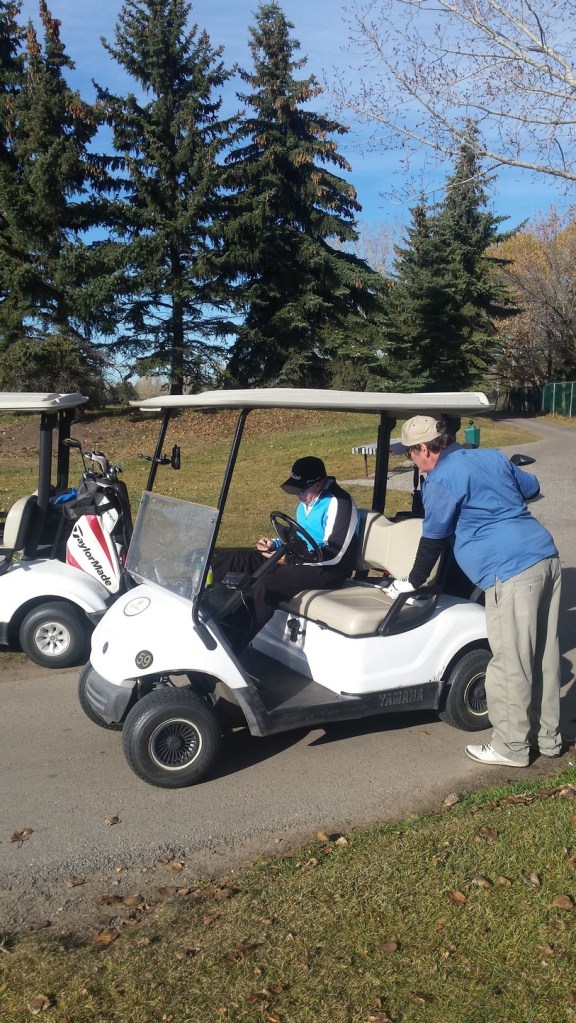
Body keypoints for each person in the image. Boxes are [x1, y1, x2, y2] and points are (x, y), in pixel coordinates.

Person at [385, 415, 561, 768]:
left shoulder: (440, 481)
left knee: (510, 663)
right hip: (546, 557)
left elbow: (433, 540)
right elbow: (532, 487)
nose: (410, 462)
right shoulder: (491, 456)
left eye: (410, 454)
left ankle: (511, 748)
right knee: (543, 656)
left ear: (425, 449)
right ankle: (549, 739)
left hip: (509, 572)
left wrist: (411, 582)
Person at [212, 456, 359, 652]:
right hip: (301, 560)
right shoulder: (306, 503)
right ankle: (192, 600)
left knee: (266, 586)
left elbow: (335, 554)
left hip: (327, 570)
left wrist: (289, 559)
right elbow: (299, 538)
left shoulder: (339, 502)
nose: (297, 494)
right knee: (239, 559)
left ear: (317, 484)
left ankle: (227, 647)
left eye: (301, 489)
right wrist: (275, 544)